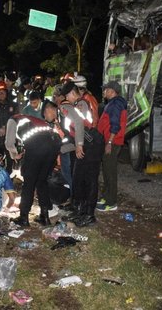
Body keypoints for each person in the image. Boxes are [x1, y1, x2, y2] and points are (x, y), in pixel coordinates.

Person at [7, 101, 62, 227]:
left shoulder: (12, 120)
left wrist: (15, 155)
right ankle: (44, 216)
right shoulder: (33, 120)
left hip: (38, 147)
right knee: (41, 181)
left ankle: (23, 217)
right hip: (53, 147)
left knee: (29, 183)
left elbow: (9, 143)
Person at [60, 82, 103, 226]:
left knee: (89, 180)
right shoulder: (80, 103)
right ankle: (81, 211)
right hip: (88, 143)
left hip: (91, 143)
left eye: (67, 96)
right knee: (80, 179)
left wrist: (79, 145)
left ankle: (89, 215)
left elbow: (79, 124)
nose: (67, 99)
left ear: (72, 93)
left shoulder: (79, 104)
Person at [97, 81, 127, 212]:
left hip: (112, 142)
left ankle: (112, 202)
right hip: (110, 141)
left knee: (110, 172)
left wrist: (109, 142)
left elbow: (115, 125)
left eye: (105, 89)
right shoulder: (113, 103)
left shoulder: (115, 104)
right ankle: (106, 196)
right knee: (107, 170)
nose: (104, 92)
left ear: (112, 91)